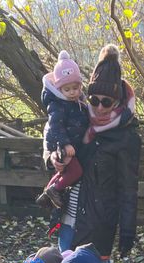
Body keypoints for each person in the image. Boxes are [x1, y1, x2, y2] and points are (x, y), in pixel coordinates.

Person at [50, 44, 141, 263]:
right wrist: (52, 158)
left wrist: (128, 230)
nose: (99, 108)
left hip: (99, 222)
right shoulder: (77, 117)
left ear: (118, 101)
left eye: (107, 102)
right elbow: (52, 140)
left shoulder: (127, 137)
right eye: (94, 100)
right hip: (68, 216)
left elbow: (128, 188)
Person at [36, 50, 89, 209]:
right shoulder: (58, 105)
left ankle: (46, 194)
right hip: (62, 146)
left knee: (63, 173)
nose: (72, 92)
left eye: (75, 87)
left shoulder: (79, 102)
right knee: (75, 172)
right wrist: (65, 144)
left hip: (70, 145)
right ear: (59, 89)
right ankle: (54, 189)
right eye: (67, 89)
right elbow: (55, 126)